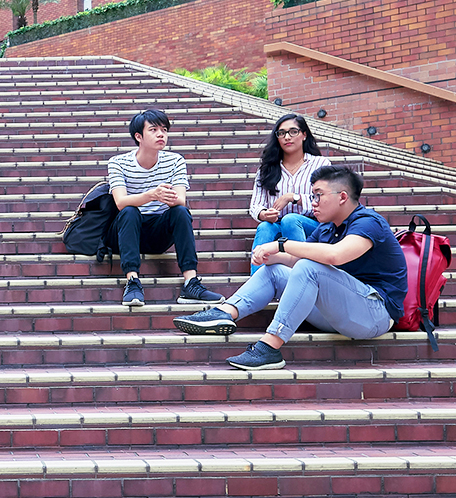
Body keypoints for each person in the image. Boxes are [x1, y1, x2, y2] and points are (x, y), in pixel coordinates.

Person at [173, 164, 408, 371]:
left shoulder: (369, 222)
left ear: (342, 197)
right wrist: (271, 257)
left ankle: (269, 347)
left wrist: (281, 244)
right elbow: (296, 263)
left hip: (374, 314)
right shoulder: (327, 228)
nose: (313, 203)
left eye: (318, 195)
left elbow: (335, 256)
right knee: (276, 271)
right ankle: (224, 313)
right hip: (340, 312)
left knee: (310, 266)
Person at [106, 108, 221, 307]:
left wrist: (166, 198)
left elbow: (180, 200)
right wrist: (152, 195)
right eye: (154, 129)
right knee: (129, 211)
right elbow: (120, 202)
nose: (161, 134)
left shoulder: (175, 161)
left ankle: (191, 283)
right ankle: (132, 282)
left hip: (158, 232)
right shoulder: (118, 163)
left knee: (181, 212)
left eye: (164, 129)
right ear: (138, 136)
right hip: (125, 232)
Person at [247, 113, 326, 272]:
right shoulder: (267, 168)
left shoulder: (320, 164)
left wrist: (293, 198)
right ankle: (255, 285)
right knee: (264, 227)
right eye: (282, 133)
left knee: (290, 219)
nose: (287, 137)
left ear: (304, 135)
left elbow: (325, 200)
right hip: (277, 223)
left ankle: (303, 273)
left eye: (293, 132)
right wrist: (263, 214)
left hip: (311, 224)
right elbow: (256, 205)